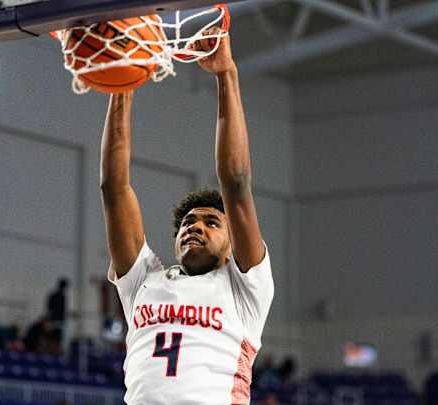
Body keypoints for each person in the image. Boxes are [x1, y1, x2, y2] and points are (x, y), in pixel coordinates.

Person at [99, 26, 274, 404]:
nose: (195, 226)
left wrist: (226, 75)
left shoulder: (244, 289)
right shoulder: (144, 280)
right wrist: (123, 83)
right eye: (188, 222)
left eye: (212, 222)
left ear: (232, 246)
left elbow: (237, 181)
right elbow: (114, 190)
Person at [46, 278, 68, 349]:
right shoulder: (62, 296)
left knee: (52, 337)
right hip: (58, 320)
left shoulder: (53, 295)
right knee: (56, 338)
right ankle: (55, 350)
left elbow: (49, 307)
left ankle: (53, 350)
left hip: (53, 319)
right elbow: (62, 309)